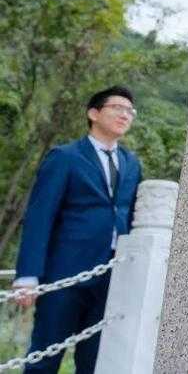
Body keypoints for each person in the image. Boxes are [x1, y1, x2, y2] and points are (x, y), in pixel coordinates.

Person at [10, 85, 143, 374]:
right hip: (65, 274)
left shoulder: (132, 164)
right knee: (45, 356)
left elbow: (132, 217)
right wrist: (28, 275)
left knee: (96, 359)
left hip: (112, 276)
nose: (125, 115)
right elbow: (40, 216)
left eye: (130, 111)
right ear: (93, 113)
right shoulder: (65, 157)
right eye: (117, 108)